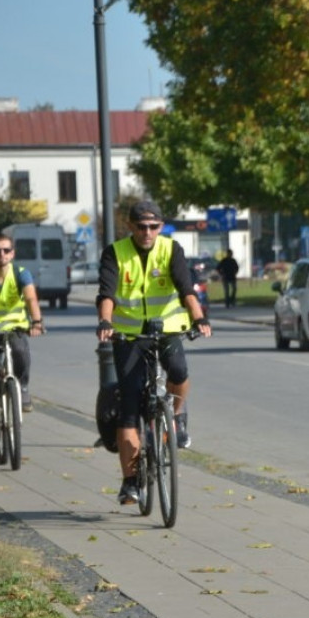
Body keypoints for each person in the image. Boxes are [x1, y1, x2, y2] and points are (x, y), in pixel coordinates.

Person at [95, 200, 212, 504]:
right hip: (129, 335)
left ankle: (177, 415)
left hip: (168, 329)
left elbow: (186, 288)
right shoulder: (115, 253)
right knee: (130, 405)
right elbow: (107, 293)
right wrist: (105, 321)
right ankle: (130, 482)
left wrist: (199, 318)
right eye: (141, 226)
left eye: (153, 227)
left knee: (179, 371)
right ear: (130, 226)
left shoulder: (171, 249)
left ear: (161, 227)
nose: (147, 232)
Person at [0, 233, 45, 412]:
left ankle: (23, 387)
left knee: (20, 352)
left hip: (16, 327)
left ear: (12, 253)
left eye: (6, 250)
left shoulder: (21, 274)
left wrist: (37, 321)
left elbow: (31, 298)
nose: (1, 254)